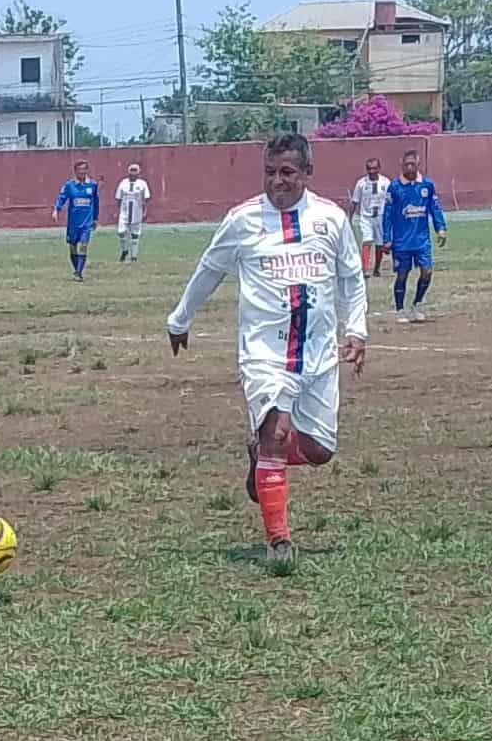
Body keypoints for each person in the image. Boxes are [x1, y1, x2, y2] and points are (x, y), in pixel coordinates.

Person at [166, 134, 367, 563]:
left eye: (288, 172)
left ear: (306, 173)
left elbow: (351, 278)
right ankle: (279, 542)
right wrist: (180, 318)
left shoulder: (330, 219)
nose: (278, 181)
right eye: (270, 172)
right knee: (276, 430)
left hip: (318, 353)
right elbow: (209, 269)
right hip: (264, 353)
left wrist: (358, 330)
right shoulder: (242, 220)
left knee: (319, 451)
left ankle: (261, 457)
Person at [383, 149, 447, 324]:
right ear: (402, 165)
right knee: (402, 275)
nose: (409, 167)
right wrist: (386, 238)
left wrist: (440, 228)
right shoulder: (395, 187)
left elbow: (435, 208)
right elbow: (387, 214)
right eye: (406, 164)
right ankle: (400, 309)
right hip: (401, 241)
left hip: (422, 240)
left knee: (427, 272)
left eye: (413, 164)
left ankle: (417, 304)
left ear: (418, 164)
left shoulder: (427, 185)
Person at [52, 160, 99, 281]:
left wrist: (95, 218)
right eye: (80, 169)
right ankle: (76, 269)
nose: (82, 171)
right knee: (72, 247)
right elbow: (61, 198)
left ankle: (79, 273)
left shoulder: (92, 185)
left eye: (84, 169)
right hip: (73, 222)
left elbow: (96, 202)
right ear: (75, 171)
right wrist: (56, 210)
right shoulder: (69, 185)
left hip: (86, 223)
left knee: (83, 245)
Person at [350, 157, 390, 279]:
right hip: (366, 217)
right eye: (369, 168)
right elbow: (355, 201)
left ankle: (377, 267)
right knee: (366, 242)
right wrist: (349, 218)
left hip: (381, 217)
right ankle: (365, 269)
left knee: (379, 245)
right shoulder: (361, 183)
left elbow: (391, 201)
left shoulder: (386, 182)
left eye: (374, 168)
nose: (372, 171)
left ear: (379, 168)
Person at [115, 163, 151, 262]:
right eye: (132, 170)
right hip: (124, 212)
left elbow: (146, 199)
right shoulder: (123, 183)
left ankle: (134, 256)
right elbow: (118, 198)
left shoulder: (142, 183)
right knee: (121, 232)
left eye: (135, 170)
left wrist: (145, 212)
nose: (133, 173)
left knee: (135, 234)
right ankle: (124, 250)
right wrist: (117, 211)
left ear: (139, 172)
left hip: (137, 212)